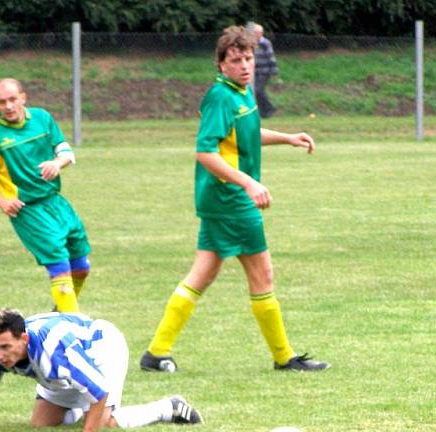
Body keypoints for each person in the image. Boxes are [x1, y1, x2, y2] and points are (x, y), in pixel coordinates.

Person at [139, 26, 328, 374]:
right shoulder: (220, 96)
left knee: (203, 273)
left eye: (248, 58)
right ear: (221, 64)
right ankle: (284, 358)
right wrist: (247, 184)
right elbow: (205, 153)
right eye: (236, 60)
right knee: (263, 276)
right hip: (229, 199)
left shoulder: (242, 93)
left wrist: (288, 137)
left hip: (222, 198)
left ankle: (156, 352)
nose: (244, 65)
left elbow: (246, 133)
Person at [0, 308, 203, 432]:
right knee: (41, 425)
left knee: (105, 422)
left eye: (5, 347)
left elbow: (100, 390)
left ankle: (167, 408)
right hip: (63, 370)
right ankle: (80, 408)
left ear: (24, 339)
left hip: (101, 347)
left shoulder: (55, 351)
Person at [0, 79, 91, 313]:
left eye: (12, 100)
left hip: (55, 201)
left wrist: (57, 164)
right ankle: (72, 324)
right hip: (27, 210)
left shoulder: (42, 118)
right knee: (59, 265)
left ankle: (60, 316)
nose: (8, 106)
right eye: (1, 102)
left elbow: (65, 152)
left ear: (23, 98)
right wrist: (3, 202)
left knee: (81, 266)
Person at [252, 23, 279, 118]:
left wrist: (274, 71)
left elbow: (271, 57)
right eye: (253, 32)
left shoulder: (265, 43)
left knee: (258, 90)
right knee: (254, 91)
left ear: (261, 33)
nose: (254, 34)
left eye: (256, 32)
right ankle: (263, 112)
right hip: (254, 72)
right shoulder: (251, 43)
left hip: (264, 71)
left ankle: (269, 108)